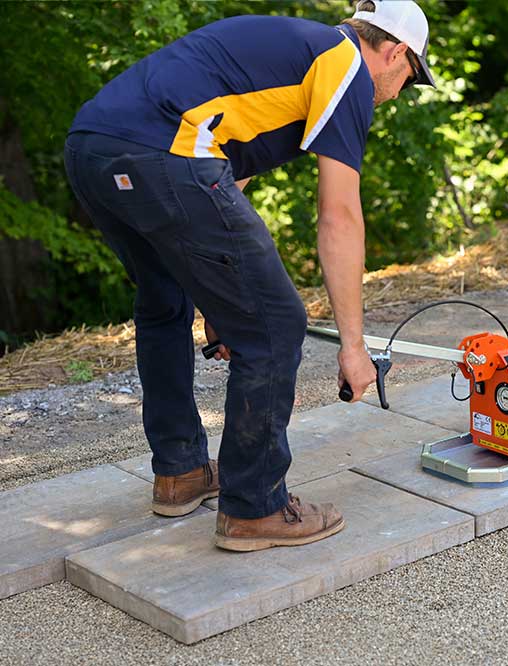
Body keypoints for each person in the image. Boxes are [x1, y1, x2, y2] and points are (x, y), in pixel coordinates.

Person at [63, 0, 436, 551]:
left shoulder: (288, 59)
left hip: (93, 149)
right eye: (411, 76)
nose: (402, 90)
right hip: (165, 154)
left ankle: (180, 472)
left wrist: (218, 304)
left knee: (164, 302)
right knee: (275, 325)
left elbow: (223, 188)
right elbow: (339, 215)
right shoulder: (346, 67)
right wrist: (354, 347)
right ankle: (254, 506)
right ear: (395, 51)